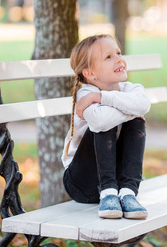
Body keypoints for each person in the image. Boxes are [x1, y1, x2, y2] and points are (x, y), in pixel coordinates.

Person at [62, 34, 151, 219]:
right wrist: (130, 108)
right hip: (81, 182)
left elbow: (144, 105)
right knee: (105, 121)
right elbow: (101, 121)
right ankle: (108, 192)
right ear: (89, 73)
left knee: (136, 120)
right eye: (108, 57)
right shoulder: (86, 93)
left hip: (118, 180)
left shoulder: (132, 89)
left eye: (118, 53)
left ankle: (128, 193)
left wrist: (102, 98)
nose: (119, 59)